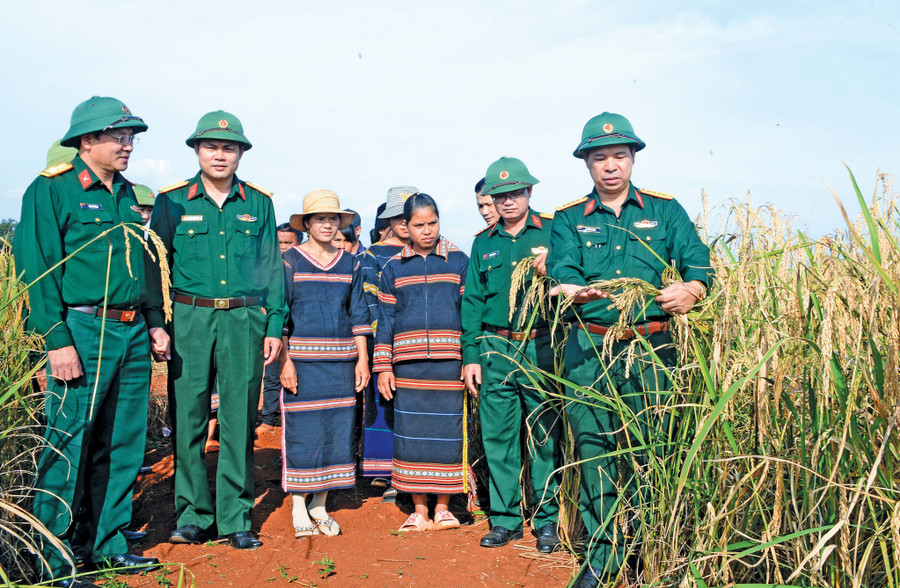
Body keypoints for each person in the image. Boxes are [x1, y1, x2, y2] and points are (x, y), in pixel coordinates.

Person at [547, 112, 713, 587]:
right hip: (591, 352)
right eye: (600, 158)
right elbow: (564, 268)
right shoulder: (567, 219)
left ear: (633, 158)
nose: (611, 166)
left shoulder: (665, 211)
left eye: (620, 155)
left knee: (651, 449)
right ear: (587, 164)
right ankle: (602, 557)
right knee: (596, 451)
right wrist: (573, 290)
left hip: (652, 351)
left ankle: (648, 550)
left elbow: (700, 264)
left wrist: (692, 290)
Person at [14, 96, 167, 587]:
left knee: (122, 442)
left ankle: (106, 544)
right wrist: (56, 340)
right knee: (67, 442)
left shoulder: (125, 193)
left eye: (131, 137)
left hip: (131, 330)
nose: (128, 145)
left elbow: (140, 261)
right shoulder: (52, 189)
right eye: (119, 137)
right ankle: (51, 561)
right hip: (81, 329)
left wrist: (154, 319)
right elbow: (35, 270)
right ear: (87, 140)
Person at [151, 110, 286, 551]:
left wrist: (274, 323)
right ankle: (192, 515)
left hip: (243, 319)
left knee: (239, 417)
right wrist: (159, 323)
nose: (220, 154)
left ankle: (235, 516)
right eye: (211, 146)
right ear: (196, 150)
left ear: (241, 153)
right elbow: (157, 266)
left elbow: (272, 268)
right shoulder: (172, 201)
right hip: (188, 319)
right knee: (188, 415)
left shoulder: (259, 203)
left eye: (230, 147)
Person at [461, 157, 562, 552]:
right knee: (499, 439)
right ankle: (505, 520)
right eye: (500, 195)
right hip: (494, 347)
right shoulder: (483, 242)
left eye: (515, 193)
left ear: (529, 192)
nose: (507, 202)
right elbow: (472, 301)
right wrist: (471, 354)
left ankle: (547, 522)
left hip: (540, 346)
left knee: (543, 437)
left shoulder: (555, 233)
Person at [374, 193, 469, 532]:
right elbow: (384, 320)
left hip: (449, 364)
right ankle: (419, 511)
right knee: (411, 435)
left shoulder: (458, 261)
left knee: (447, 435)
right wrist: (383, 366)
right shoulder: (393, 268)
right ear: (405, 226)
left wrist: (469, 360)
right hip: (407, 367)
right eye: (419, 225)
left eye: (432, 223)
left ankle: (443, 509)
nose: (427, 231)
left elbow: (468, 315)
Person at [278, 190, 371, 537]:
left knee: (336, 429)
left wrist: (362, 360)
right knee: (304, 431)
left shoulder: (351, 263)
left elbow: (358, 312)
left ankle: (320, 503)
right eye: (320, 219)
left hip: (341, 363)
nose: (328, 225)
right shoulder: (291, 261)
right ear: (307, 224)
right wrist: (285, 363)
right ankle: (299, 505)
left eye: (333, 219)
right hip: (302, 363)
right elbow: (281, 316)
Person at [358, 187, 417, 497]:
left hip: (421, 345)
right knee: (383, 405)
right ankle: (384, 471)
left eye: (411, 216)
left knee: (413, 408)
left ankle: (411, 473)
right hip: (384, 341)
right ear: (390, 220)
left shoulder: (435, 250)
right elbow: (371, 303)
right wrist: (386, 344)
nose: (405, 223)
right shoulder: (372, 255)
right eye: (399, 217)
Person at [257, 222, 304, 435]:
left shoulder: (302, 264)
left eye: (288, 242)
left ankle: (293, 418)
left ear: (299, 243)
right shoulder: (266, 267)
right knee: (272, 373)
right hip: (275, 329)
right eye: (279, 243)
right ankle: (268, 418)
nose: (283, 247)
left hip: (302, 331)